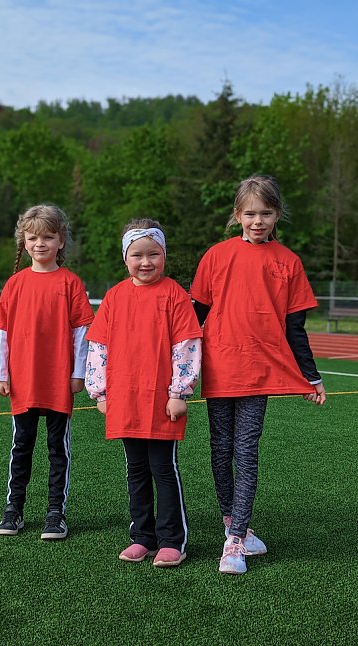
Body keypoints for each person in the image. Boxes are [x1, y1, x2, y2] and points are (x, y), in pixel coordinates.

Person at [190, 175, 326, 575]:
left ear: (277, 215)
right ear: (237, 216)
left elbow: (294, 328)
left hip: (259, 371)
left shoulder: (288, 263)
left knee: (246, 450)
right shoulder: (216, 256)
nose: (258, 220)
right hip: (219, 367)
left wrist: (310, 376)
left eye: (266, 213)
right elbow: (194, 315)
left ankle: (234, 543)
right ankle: (234, 524)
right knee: (220, 448)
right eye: (250, 213)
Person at [85, 219, 202, 568]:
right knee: (135, 468)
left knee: (163, 468)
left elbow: (187, 345)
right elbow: (99, 347)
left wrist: (179, 392)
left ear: (164, 256)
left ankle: (172, 540)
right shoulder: (115, 296)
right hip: (124, 397)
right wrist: (100, 392)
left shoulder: (175, 296)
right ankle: (142, 536)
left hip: (161, 399)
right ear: (125, 258)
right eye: (137, 255)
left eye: (154, 254)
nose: (146, 262)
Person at [0, 204, 94, 540]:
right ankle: (13, 510)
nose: (40, 243)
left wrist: (79, 373)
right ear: (24, 241)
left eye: (48, 237)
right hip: (23, 381)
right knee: (21, 446)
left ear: (61, 241)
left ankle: (55, 514)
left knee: (56, 448)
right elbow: (3, 334)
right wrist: (0, 374)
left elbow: (81, 334)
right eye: (33, 237)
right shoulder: (15, 284)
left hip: (58, 381)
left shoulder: (71, 283)